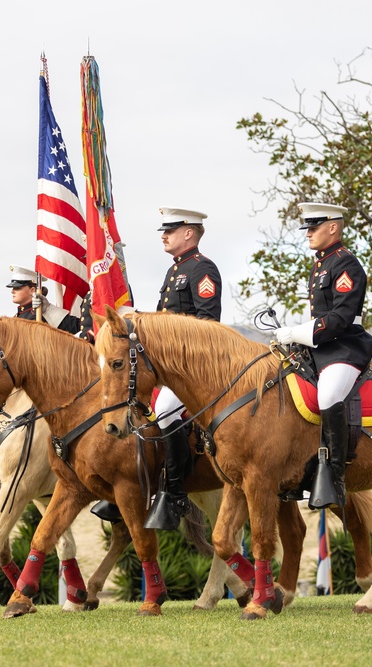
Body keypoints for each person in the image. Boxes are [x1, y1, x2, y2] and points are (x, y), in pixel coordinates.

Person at [272, 202, 372, 510]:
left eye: (314, 228)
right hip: (320, 348)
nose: (308, 234)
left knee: (328, 394)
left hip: (345, 346)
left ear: (333, 227)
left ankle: (335, 476)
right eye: (308, 229)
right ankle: (300, 471)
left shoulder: (347, 264)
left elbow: (340, 319)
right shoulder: (320, 264)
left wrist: (299, 332)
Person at [146, 206, 222, 530]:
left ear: (189, 233)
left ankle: (175, 491)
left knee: (163, 409)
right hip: (168, 368)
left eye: (171, 230)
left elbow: (208, 323)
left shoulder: (202, 269)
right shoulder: (174, 271)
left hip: (193, 368)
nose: (164, 235)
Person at [7, 265, 81, 334]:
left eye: (17, 288)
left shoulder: (40, 315)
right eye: (13, 288)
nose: (12, 291)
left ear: (32, 290)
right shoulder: (18, 316)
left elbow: (75, 328)